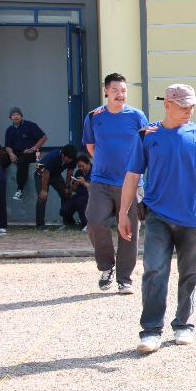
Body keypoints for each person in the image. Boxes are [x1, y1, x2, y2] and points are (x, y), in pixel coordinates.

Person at [118, 83, 196, 354]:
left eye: (192, 105)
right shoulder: (147, 135)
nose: (189, 110)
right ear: (167, 105)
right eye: (183, 105)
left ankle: (184, 324)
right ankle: (151, 330)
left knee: (189, 273)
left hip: (191, 215)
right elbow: (132, 175)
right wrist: (123, 213)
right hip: (157, 215)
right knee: (155, 270)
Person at [83, 72, 149, 294]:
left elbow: (146, 145)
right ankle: (106, 267)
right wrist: (106, 162)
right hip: (101, 180)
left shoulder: (137, 116)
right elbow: (90, 146)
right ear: (106, 91)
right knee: (94, 221)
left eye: (123, 90)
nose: (120, 94)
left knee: (129, 229)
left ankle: (124, 279)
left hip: (131, 181)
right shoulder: (94, 116)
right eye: (115, 90)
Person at [2, 107, 47, 200]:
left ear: (21, 116)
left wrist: (33, 148)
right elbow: (8, 146)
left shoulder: (30, 125)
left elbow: (43, 138)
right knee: (2, 159)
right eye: (13, 115)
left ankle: (19, 190)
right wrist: (11, 154)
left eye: (18, 114)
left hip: (31, 152)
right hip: (16, 152)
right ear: (10, 117)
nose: (16, 116)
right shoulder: (9, 130)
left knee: (22, 161)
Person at [34, 143, 78, 230]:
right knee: (42, 197)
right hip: (40, 172)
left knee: (66, 194)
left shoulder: (72, 158)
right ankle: (40, 224)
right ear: (63, 155)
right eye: (68, 159)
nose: (69, 161)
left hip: (55, 174)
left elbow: (70, 171)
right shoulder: (52, 157)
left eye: (71, 159)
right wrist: (44, 190)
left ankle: (68, 221)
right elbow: (45, 173)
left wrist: (67, 186)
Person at [60, 153, 91, 229]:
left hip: (91, 196)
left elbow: (96, 188)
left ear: (88, 164)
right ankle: (70, 224)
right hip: (79, 195)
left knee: (81, 203)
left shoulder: (96, 172)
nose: (81, 168)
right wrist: (75, 184)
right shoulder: (78, 172)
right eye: (79, 166)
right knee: (64, 210)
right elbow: (73, 189)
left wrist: (84, 182)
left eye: (82, 166)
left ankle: (86, 224)